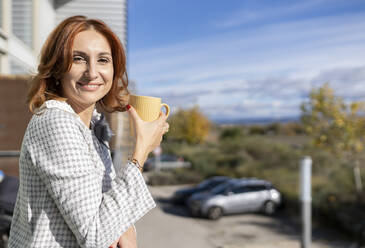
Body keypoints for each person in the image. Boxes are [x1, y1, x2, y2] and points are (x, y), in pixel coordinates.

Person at [8, 15, 169, 248]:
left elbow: (105, 207)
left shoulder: (93, 125)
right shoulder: (55, 122)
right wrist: (141, 151)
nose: (92, 72)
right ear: (57, 69)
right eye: (78, 59)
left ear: (114, 70)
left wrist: (125, 230)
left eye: (103, 60)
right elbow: (95, 235)